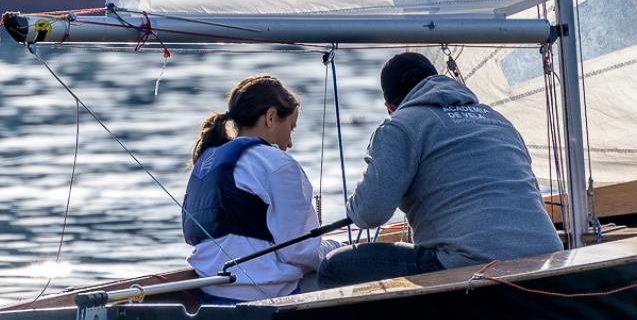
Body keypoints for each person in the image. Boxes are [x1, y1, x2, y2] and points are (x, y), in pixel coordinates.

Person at [317, 52, 563, 288]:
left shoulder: (400, 126)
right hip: (548, 257)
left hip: (471, 265)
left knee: (334, 267)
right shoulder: (496, 119)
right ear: (438, 79)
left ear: (390, 106)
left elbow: (370, 214)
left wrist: (353, 207)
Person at [183, 75, 339, 301]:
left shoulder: (207, 161)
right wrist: (336, 246)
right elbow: (299, 252)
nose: (290, 142)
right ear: (271, 116)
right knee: (353, 270)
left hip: (210, 291)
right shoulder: (278, 164)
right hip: (262, 295)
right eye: (291, 128)